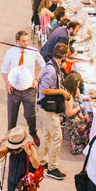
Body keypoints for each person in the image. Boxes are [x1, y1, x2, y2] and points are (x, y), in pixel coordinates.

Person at [1, 30, 45, 145]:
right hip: (13, 90)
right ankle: (10, 137)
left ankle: (33, 132)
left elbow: (42, 64)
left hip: (29, 89)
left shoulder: (33, 51)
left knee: (30, 115)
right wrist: (7, 83)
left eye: (27, 41)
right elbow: (4, 69)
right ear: (17, 41)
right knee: (12, 115)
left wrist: (37, 78)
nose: (26, 43)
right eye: (23, 41)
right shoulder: (10, 52)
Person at [37, 43, 69, 180]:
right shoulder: (51, 70)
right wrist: (61, 91)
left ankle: (41, 162)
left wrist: (60, 87)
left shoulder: (52, 66)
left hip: (46, 107)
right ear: (63, 56)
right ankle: (53, 167)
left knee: (47, 135)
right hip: (48, 108)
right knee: (57, 136)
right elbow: (43, 90)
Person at [61, 72, 92, 155]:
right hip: (68, 119)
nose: (78, 87)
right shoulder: (69, 98)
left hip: (74, 116)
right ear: (73, 86)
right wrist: (79, 108)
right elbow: (69, 113)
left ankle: (81, 138)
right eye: (77, 85)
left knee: (89, 116)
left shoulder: (70, 93)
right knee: (91, 120)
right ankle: (82, 140)